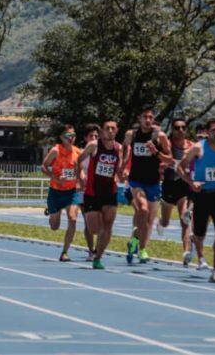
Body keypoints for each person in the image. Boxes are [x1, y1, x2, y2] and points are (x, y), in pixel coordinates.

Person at [179, 118, 215, 283]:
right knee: (200, 234)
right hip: (201, 194)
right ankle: (197, 246)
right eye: (213, 130)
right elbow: (180, 167)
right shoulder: (198, 148)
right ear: (208, 132)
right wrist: (191, 182)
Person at [122, 106, 173, 264]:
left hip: (153, 182)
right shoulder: (132, 135)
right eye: (145, 117)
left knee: (149, 220)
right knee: (142, 209)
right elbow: (124, 150)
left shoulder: (160, 136)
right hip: (136, 180)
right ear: (139, 118)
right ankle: (136, 242)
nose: (148, 120)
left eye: (151, 117)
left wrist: (156, 152)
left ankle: (140, 247)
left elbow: (169, 160)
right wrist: (123, 167)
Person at [76, 119, 122, 269]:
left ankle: (98, 257)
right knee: (95, 229)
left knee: (108, 227)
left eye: (112, 128)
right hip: (92, 192)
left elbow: (119, 168)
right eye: (107, 128)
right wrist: (81, 177)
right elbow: (78, 161)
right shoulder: (94, 146)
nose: (110, 131)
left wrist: (121, 174)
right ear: (102, 131)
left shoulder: (119, 148)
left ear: (117, 131)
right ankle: (97, 245)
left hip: (110, 192)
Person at [41, 124, 82, 262]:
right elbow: (44, 167)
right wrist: (56, 178)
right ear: (61, 138)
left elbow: (80, 170)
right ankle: (51, 212)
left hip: (71, 192)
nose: (71, 138)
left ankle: (65, 252)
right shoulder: (55, 151)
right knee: (54, 226)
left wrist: (80, 182)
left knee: (73, 218)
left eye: (73, 135)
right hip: (56, 191)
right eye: (68, 136)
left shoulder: (78, 152)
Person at [159, 118, 194, 267]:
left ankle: (186, 252)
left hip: (183, 186)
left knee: (184, 219)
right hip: (169, 186)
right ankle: (161, 222)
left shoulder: (192, 146)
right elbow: (159, 164)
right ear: (172, 130)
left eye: (183, 127)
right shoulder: (166, 145)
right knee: (166, 222)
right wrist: (167, 164)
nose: (180, 130)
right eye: (177, 127)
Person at [78, 124, 99, 260]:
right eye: (91, 136)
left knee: (101, 221)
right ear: (86, 138)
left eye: (96, 136)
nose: (93, 138)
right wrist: (81, 178)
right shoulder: (82, 152)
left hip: (100, 190)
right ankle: (91, 250)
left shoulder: (103, 151)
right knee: (88, 222)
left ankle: (99, 249)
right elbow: (77, 166)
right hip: (84, 191)